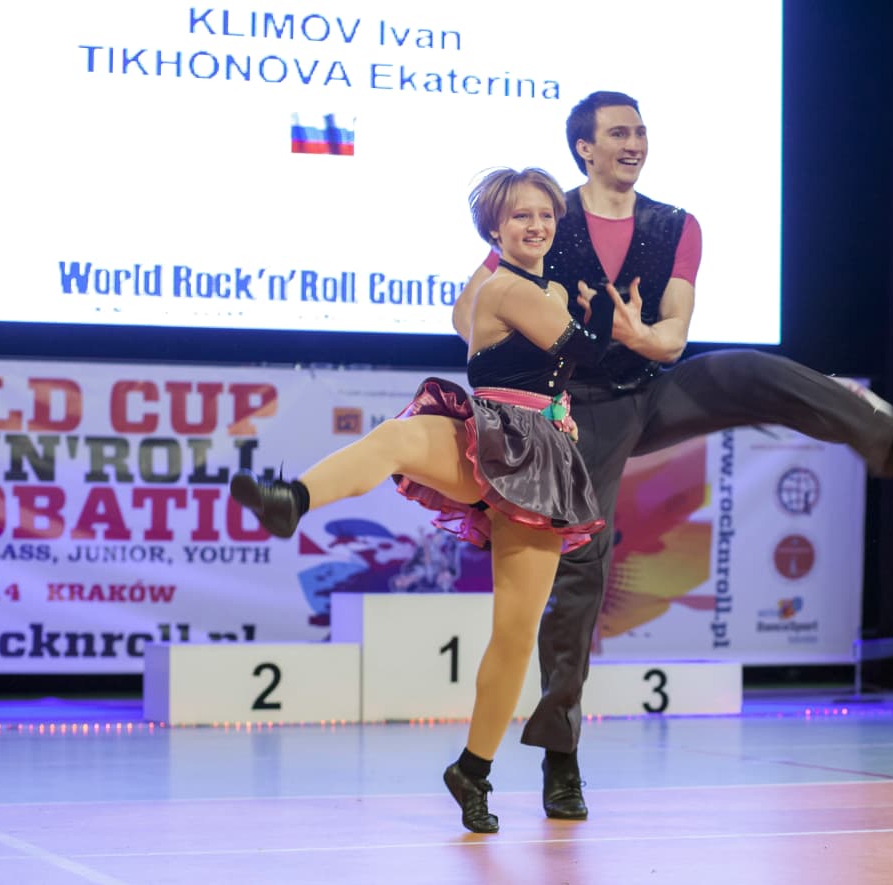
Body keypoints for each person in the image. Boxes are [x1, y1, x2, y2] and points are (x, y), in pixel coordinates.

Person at [450, 91, 893, 821]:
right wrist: (522, 310)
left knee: (749, 371)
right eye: (619, 132)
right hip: (576, 414)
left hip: (649, 386)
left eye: (641, 130)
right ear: (583, 147)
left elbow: (672, 337)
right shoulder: (543, 212)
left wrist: (637, 335)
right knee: (581, 579)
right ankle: (562, 758)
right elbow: (468, 312)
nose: (635, 141)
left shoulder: (675, 225)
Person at [230, 167, 621, 834]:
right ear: (493, 231)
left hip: (541, 456)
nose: (536, 225)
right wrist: (608, 305)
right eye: (519, 216)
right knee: (399, 436)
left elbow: (562, 364)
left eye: (545, 215)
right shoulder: (501, 285)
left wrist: (561, 403)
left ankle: (474, 768)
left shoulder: (545, 287)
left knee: (514, 635)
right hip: (492, 436)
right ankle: (291, 498)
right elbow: (586, 348)